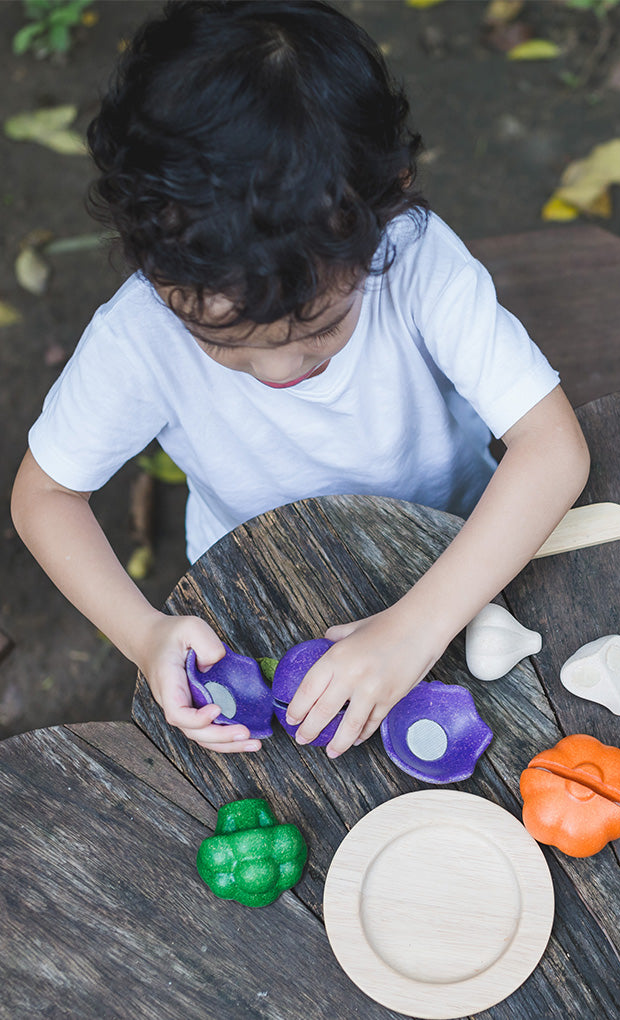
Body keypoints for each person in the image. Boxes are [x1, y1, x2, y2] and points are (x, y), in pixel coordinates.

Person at [10, 0, 589, 759]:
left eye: (318, 331)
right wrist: (143, 633)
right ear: (155, 267)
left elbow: (554, 451)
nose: (282, 369)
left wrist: (416, 628)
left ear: (384, 210)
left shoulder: (415, 260)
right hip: (258, 581)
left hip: (457, 546)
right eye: (225, 343)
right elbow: (44, 497)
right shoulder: (139, 335)